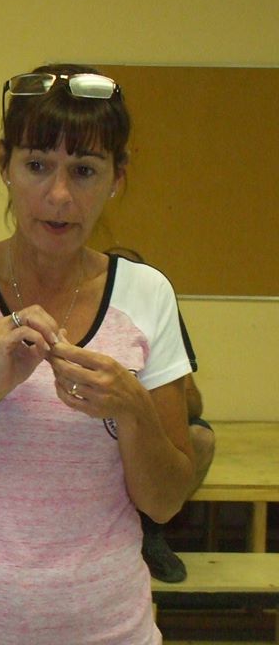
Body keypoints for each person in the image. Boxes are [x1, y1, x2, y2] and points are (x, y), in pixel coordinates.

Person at [0, 64, 199, 644]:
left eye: (85, 170)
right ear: (5, 165)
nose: (59, 195)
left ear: (118, 178)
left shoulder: (148, 294)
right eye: (37, 165)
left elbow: (166, 501)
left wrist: (132, 407)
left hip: (108, 630)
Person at [105, 247, 216, 582]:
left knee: (201, 438)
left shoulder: (155, 310)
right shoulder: (85, 308)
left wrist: (140, 394)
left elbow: (193, 403)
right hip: (95, 424)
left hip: (146, 424)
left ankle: (151, 532)